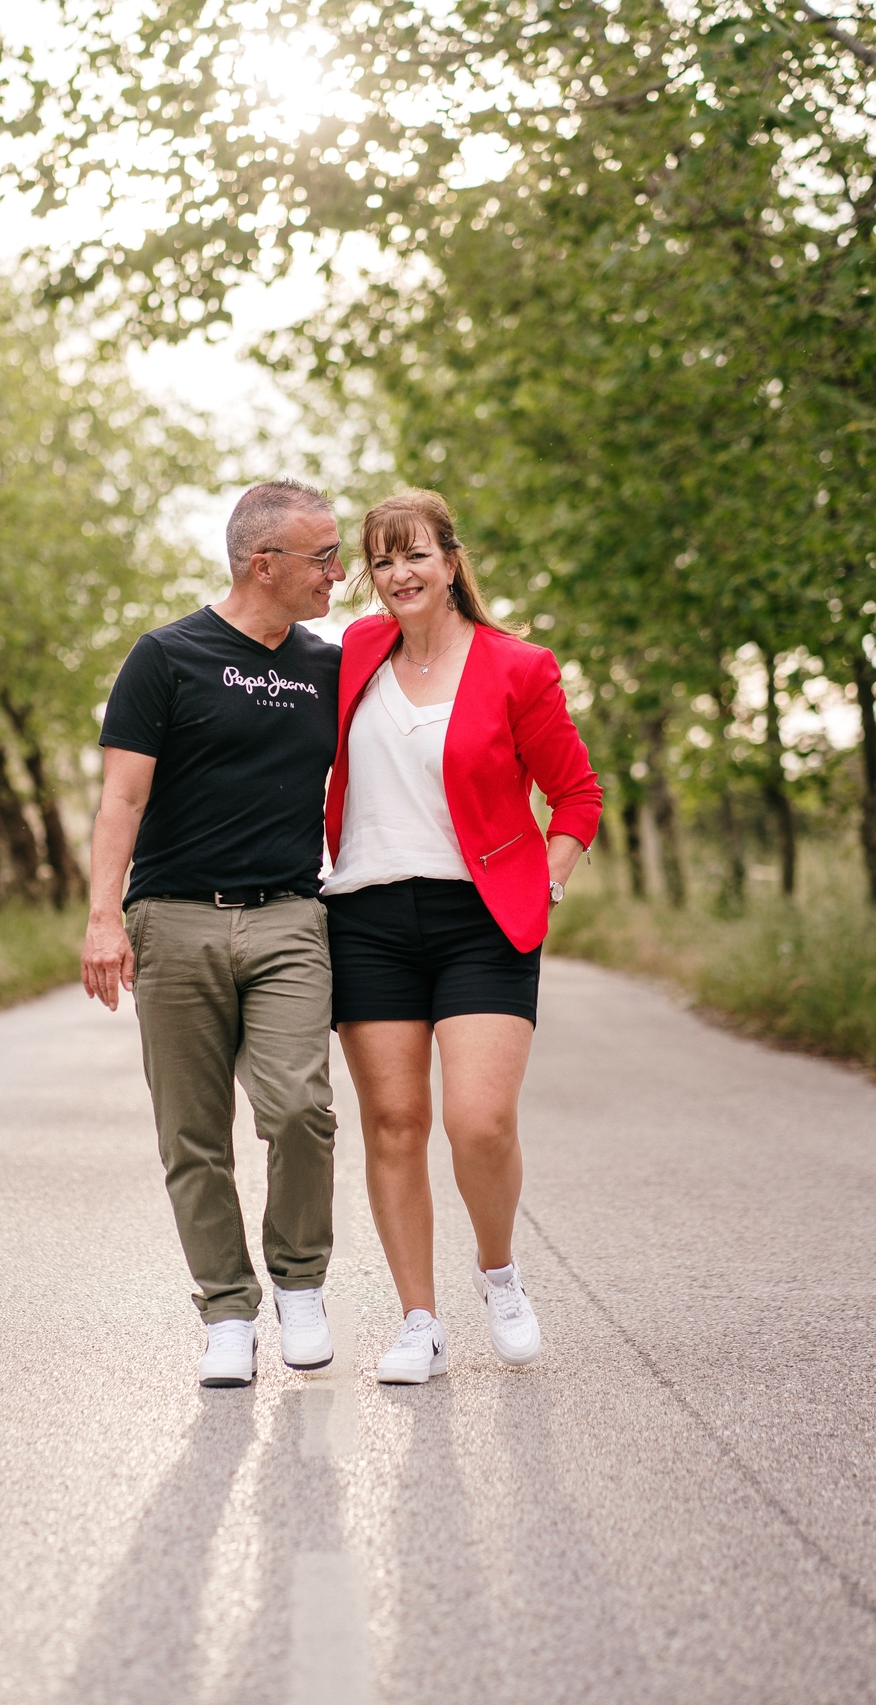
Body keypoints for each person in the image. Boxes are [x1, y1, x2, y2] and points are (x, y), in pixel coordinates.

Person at [321, 489, 602, 1382]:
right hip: (365, 913)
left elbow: (577, 795)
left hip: (481, 918)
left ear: (450, 560)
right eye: (382, 560)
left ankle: (500, 1272)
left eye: (415, 556)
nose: (399, 574)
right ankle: (417, 1321)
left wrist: (547, 879)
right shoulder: (353, 654)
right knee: (395, 1122)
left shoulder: (519, 666)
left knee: (478, 1122)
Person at [82, 479, 345, 1389]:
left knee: (301, 1108)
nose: (338, 574)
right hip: (176, 917)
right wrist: (102, 917)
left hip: (289, 916)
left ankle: (301, 1284)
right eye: (323, 556)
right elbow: (122, 795)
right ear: (261, 563)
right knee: (192, 1132)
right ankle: (227, 1312)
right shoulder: (166, 656)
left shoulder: (329, 664)